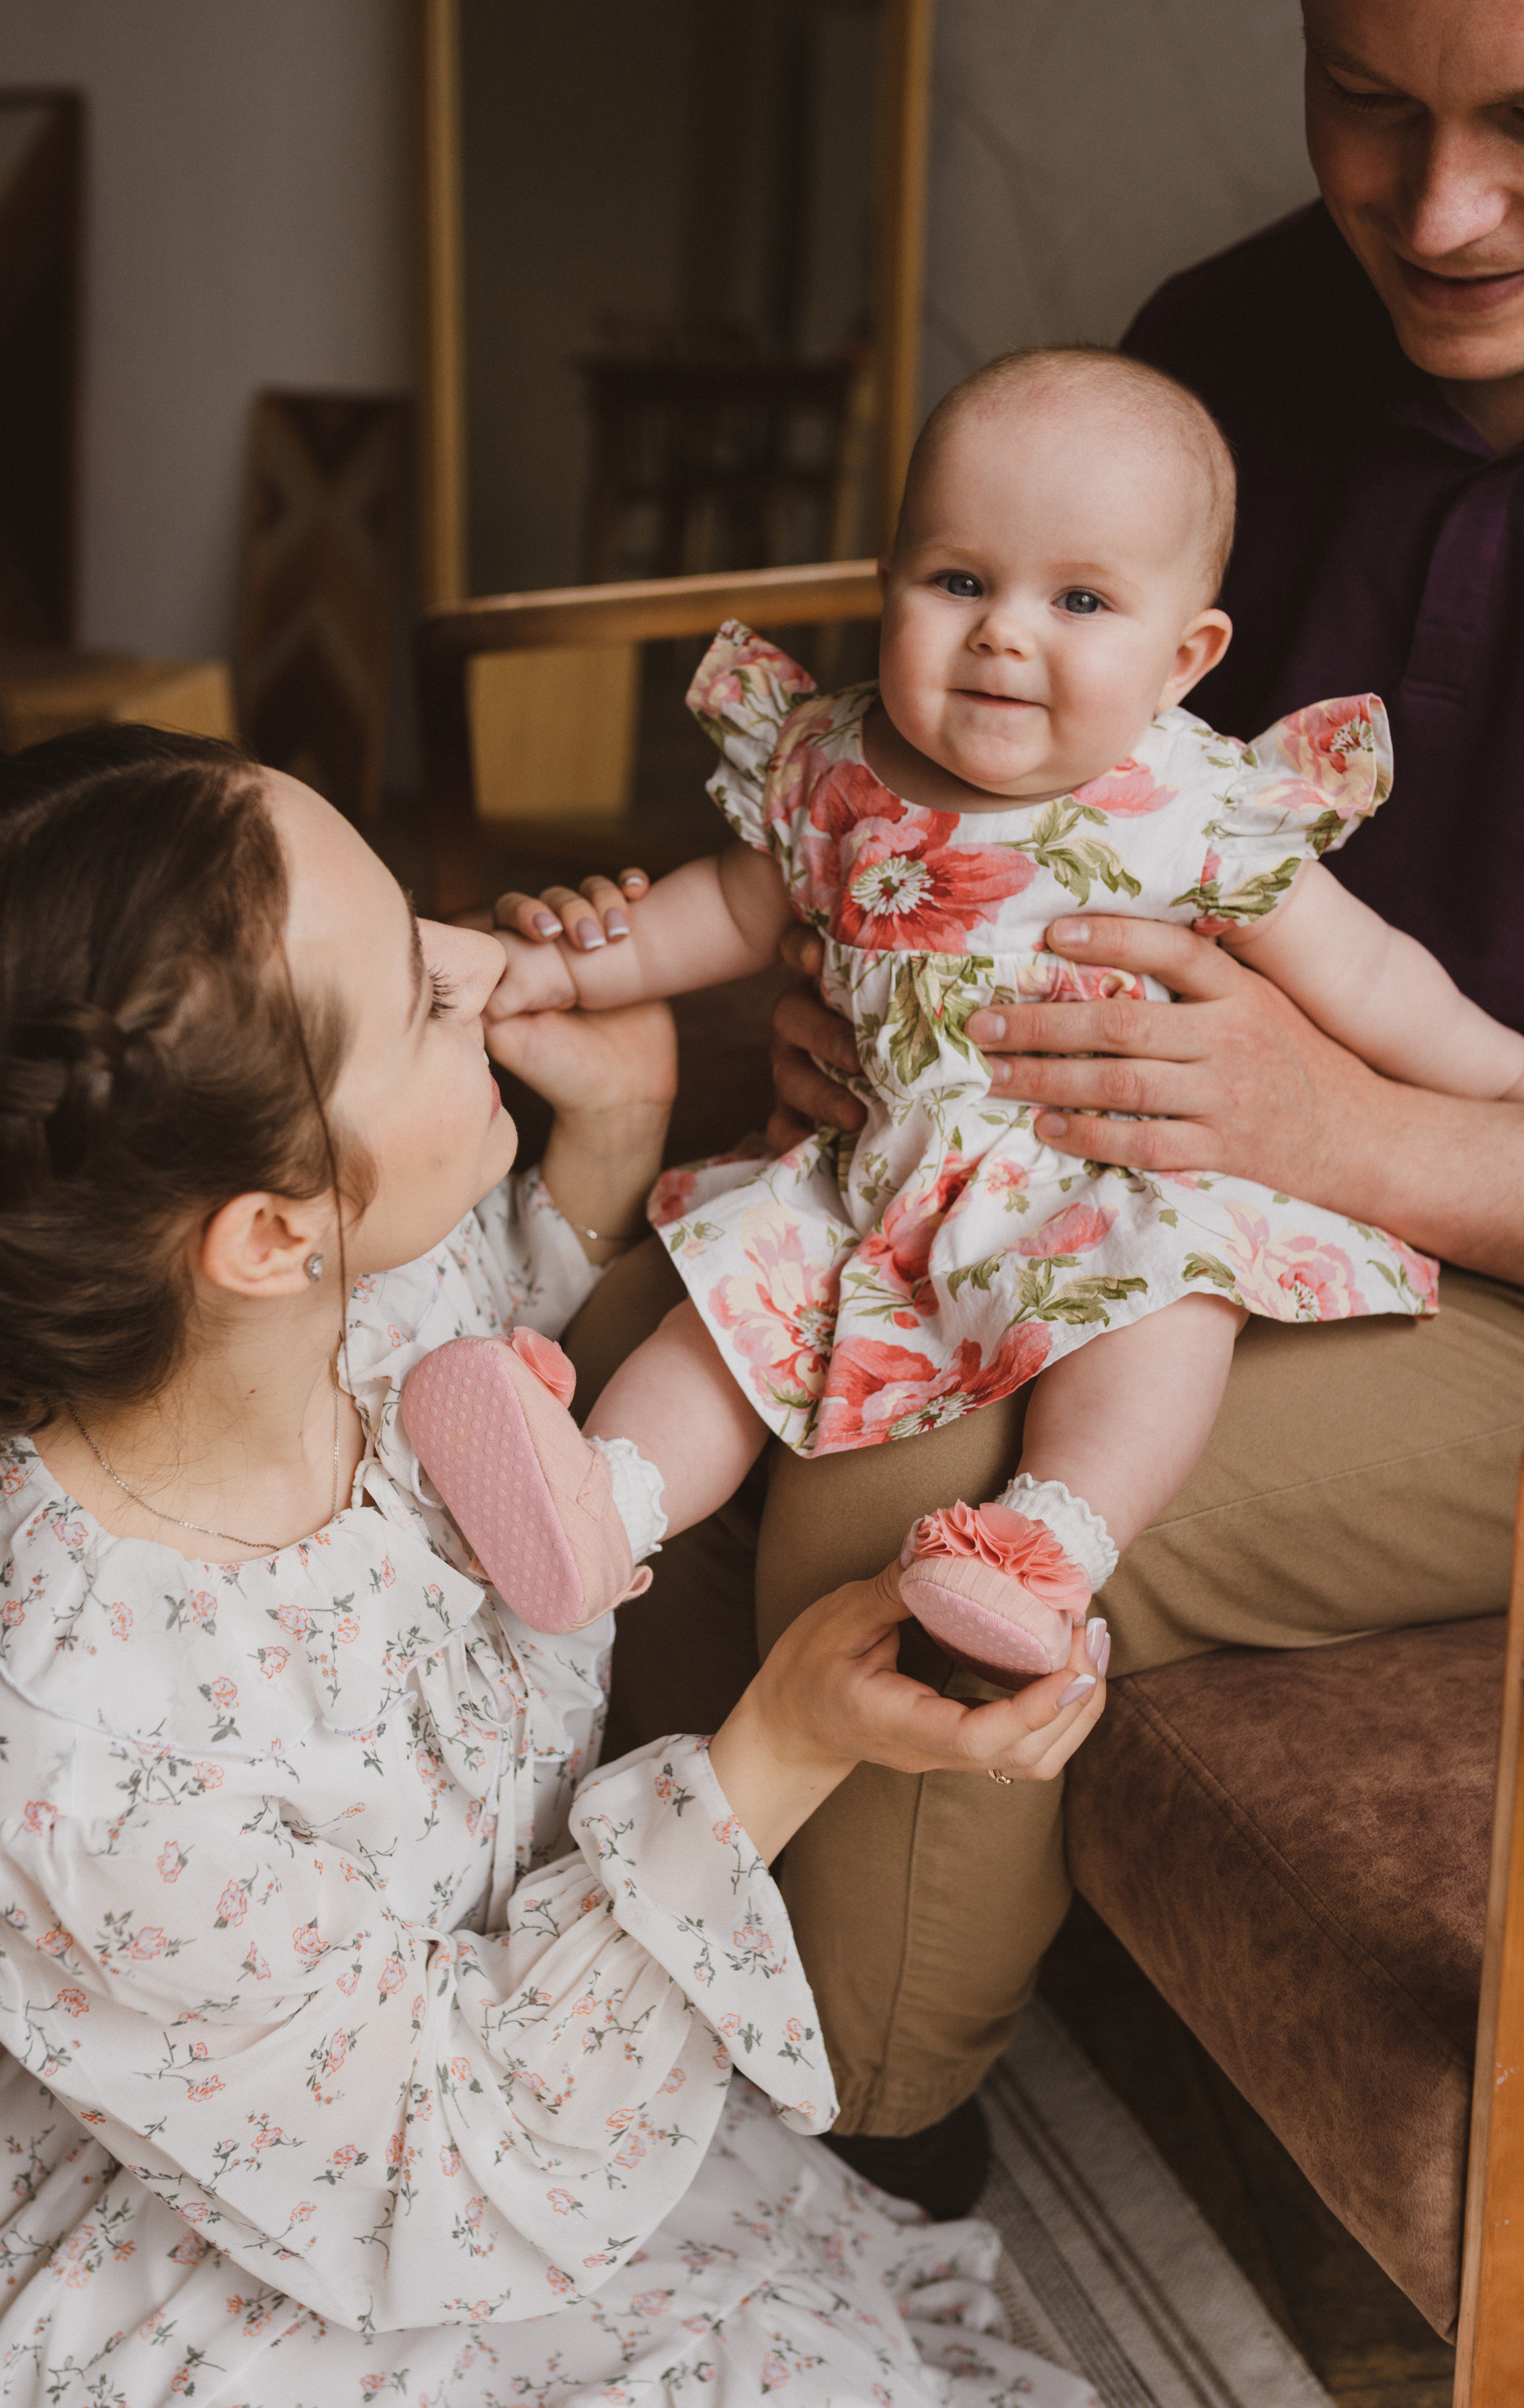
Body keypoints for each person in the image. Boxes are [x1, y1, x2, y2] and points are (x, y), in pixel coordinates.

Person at [493, 0, 1524, 2206]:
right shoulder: (1221, 347)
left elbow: (1377, 992)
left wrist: (1336, 1127)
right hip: (1042, 1138)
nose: (1441, 210)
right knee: (656, 1314)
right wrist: (847, 997)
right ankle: (567, 1911)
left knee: (904, 1450)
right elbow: (924, 803)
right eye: (1369, 103)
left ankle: (858, 2114)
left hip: (1435, 1218)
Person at [0, 726, 1107, 2408]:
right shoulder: (58, 1775)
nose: (481, 959)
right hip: (322, 2221)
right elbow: (457, 2173)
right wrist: (780, 1742)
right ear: (269, 1232)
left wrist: (611, 1129)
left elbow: (490, 1372)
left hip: (494, 2044)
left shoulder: (329, 1303)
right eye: (421, 993)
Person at [419, 347, 1517, 1706]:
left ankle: (1049, 1542)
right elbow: (714, 913)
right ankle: (603, 1511)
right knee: (727, 1303)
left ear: (1183, 658)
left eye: (1079, 600)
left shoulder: (1194, 808)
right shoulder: (830, 764)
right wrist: (548, 969)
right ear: (885, 584)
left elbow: (1377, 982)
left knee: (1164, 1299)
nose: (1003, 633)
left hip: (1099, 1169)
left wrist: (1501, 1081)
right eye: (956, 581)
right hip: (871, 1172)